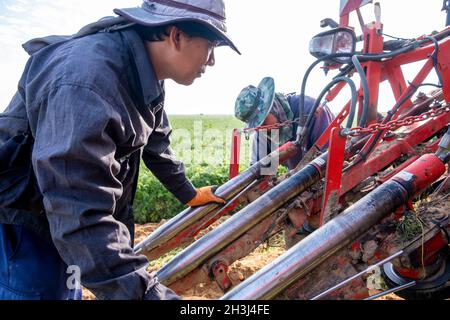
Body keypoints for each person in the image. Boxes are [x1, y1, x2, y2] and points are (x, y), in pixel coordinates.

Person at [0, 0, 238, 300]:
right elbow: (79, 214)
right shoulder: (88, 82)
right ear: (176, 36)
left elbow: (156, 141)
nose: (212, 61)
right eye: (210, 46)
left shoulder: (143, 71)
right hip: (27, 225)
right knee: (41, 292)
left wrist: (188, 192)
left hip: (59, 214)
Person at [235, 77, 335, 170]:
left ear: (273, 107)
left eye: (263, 121)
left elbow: (328, 158)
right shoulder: (262, 131)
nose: (262, 128)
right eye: (257, 125)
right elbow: (261, 172)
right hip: (299, 178)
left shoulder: (310, 109)